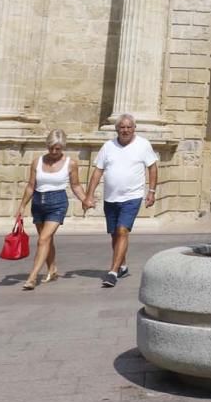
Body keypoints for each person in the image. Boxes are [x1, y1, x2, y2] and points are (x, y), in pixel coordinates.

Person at [83, 115, 158, 288]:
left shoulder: (143, 145)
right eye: (122, 127)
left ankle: (113, 272)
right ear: (117, 129)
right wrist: (89, 195)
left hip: (132, 196)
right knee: (115, 234)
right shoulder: (108, 147)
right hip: (111, 197)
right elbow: (97, 171)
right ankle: (122, 265)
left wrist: (151, 191)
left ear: (134, 128)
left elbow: (152, 167)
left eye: (128, 127)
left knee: (122, 230)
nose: (125, 130)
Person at [14, 129, 88, 290]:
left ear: (63, 148)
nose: (54, 152)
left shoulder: (71, 163)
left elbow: (75, 185)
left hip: (57, 203)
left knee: (43, 239)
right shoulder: (37, 162)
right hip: (38, 203)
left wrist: (85, 199)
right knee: (47, 240)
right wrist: (22, 206)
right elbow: (30, 185)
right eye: (51, 148)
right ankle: (52, 268)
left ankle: (32, 277)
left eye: (58, 149)